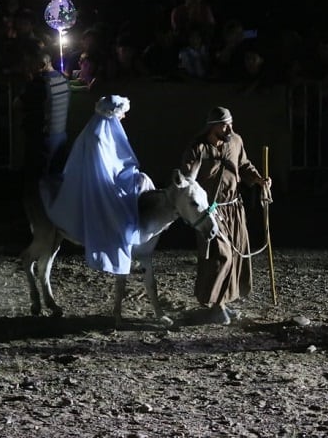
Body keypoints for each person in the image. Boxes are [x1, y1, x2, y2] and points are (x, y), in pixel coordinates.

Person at [42, 95, 155, 275]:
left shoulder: (100, 131)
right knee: (127, 199)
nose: (124, 117)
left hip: (108, 178)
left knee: (143, 182)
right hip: (99, 185)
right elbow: (103, 168)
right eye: (122, 114)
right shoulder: (98, 136)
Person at [180, 106, 272, 325]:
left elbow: (243, 165)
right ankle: (215, 306)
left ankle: (223, 302)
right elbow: (185, 181)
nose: (229, 128)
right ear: (212, 127)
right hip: (210, 212)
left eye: (231, 123)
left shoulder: (235, 141)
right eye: (224, 124)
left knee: (236, 255)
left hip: (233, 208)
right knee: (221, 256)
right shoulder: (197, 148)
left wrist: (259, 180)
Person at [15, 49, 71, 183]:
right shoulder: (63, 78)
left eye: (30, 64)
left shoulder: (39, 84)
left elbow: (17, 104)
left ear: (41, 64)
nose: (27, 68)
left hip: (41, 138)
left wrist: (27, 84)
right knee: (55, 180)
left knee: (37, 181)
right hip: (60, 136)